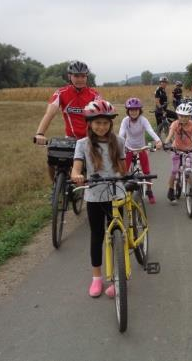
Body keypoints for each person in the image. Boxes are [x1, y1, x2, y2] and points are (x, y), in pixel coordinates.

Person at [70, 99, 125, 298]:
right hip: (94, 195)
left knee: (117, 236)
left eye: (105, 122)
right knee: (97, 236)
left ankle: (117, 277)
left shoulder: (118, 141)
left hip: (116, 194)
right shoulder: (82, 144)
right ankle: (96, 277)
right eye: (97, 122)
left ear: (111, 123)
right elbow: (76, 166)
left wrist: (127, 175)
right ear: (90, 124)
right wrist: (76, 174)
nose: (101, 126)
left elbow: (122, 166)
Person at [34, 60, 100, 180]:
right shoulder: (62, 93)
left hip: (90, 138)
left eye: (83, 76)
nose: (80, 79)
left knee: (96, 172)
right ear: (70, 76)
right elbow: (50, 113)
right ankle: (56, 187)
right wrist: (40, 133)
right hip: (71, 138)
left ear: (86, 77)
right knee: (52, 159)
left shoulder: (94, 95)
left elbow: (102, 115)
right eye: (76, 76)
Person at [118, 97, 162, 204]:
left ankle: (149, 191)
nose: (133, 112)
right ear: (128, 111)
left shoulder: (143, 120)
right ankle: (122, 192)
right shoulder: (125, 121)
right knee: (123, 171)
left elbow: (150, 130)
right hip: (128, 148)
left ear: (139, 110)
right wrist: (119, 144)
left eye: (136, 110)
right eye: (131, 110)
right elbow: (121, 134)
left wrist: (158, 140)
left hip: (142, 148)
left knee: (146, 172)